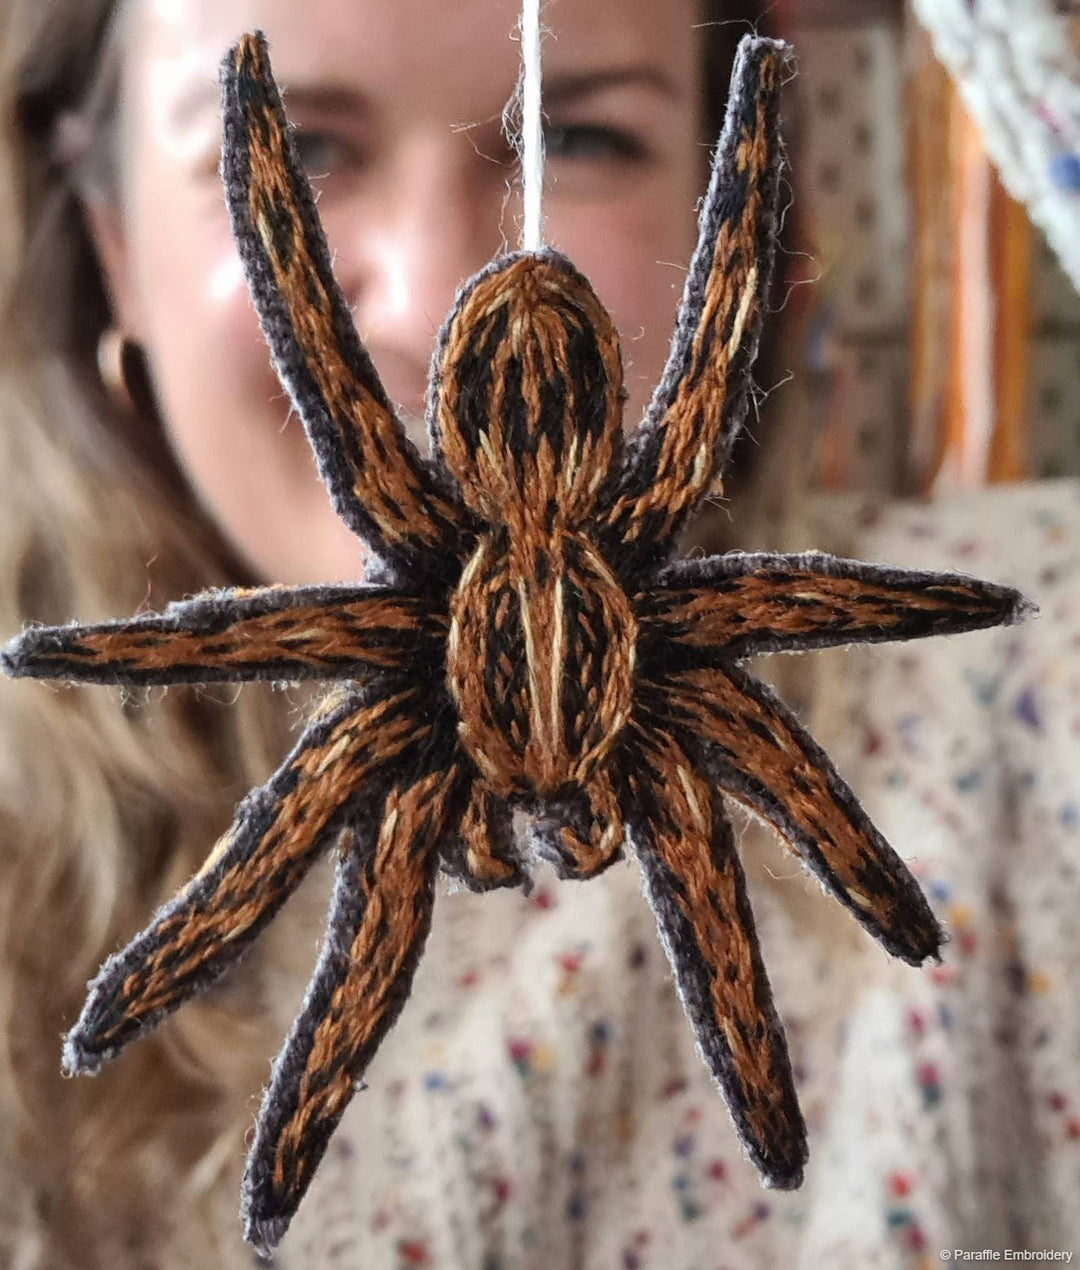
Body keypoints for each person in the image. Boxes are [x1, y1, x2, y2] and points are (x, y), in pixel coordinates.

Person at [1, 1, 1077, 1267]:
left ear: (724, 222)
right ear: (111, 240)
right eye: (308, 145)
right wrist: (106, 646)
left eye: (581, 135)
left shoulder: (1019, 682)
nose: (429, 294)